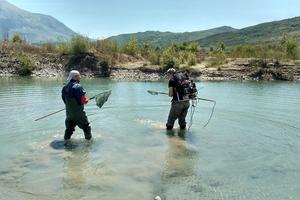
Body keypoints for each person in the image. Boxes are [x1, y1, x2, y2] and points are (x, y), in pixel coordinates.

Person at [62, 70, 92, 141]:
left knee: (69, 129)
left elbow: (65, 101)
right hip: (78, 114)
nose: (80, 78)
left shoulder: (64, 87)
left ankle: (66, 142)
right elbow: (83, 101)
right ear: (75, 77)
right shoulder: (78, 86)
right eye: (79, 76)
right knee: (86, 127)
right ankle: (89, 144)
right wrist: (86, 101)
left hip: (69, 114)